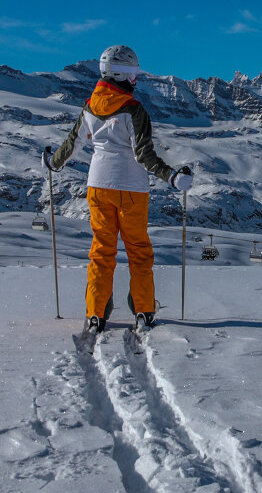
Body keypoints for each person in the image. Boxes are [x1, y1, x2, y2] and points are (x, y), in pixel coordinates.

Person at [42, 45, 193, 334]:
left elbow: (70, 146)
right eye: (134, 74)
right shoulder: (134, 110)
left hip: (97, 187)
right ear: (122, 74)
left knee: (101, 250)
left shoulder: (89, 107)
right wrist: (173, 177)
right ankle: (144, 310)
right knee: (138, 251)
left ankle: (96, 313)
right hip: (131, 189)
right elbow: (144, 155)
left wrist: (52, 162)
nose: (136, 80)